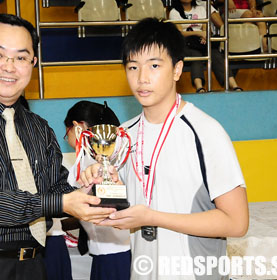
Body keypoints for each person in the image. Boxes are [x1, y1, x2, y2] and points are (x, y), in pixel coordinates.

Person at [0, 13, 115, 280]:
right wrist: (63, 200)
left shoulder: (38, 127)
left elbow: (56, 190)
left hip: (32, 263)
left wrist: (88, 191)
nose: (9, 66)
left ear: (33, 63)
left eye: (21, 57)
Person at [79, 18, 249, 279]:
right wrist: (103, 183)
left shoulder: (205, 132)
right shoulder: (123, 135)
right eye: (133, 67)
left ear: (177, 70)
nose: (142, 78)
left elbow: (237, 222)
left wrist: (153, 217)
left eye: (154, 65)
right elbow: (123, 209)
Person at [64, 100, 131, 280]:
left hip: (116, 249)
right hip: (106, 249)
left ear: (78, 127)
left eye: (66, 132)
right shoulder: (88, 157)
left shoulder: (97, 156)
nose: (67, 139)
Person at [169, 0, 243, 92]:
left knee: (215, 54)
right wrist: (199, 33)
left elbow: (205, 27)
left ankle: (233, 85)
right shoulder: (174, 12)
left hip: (201, 41)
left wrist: (205, 35)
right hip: (185, 43)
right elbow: (180, 32)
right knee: (196, 55)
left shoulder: (200, 9)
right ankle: (199, 87)